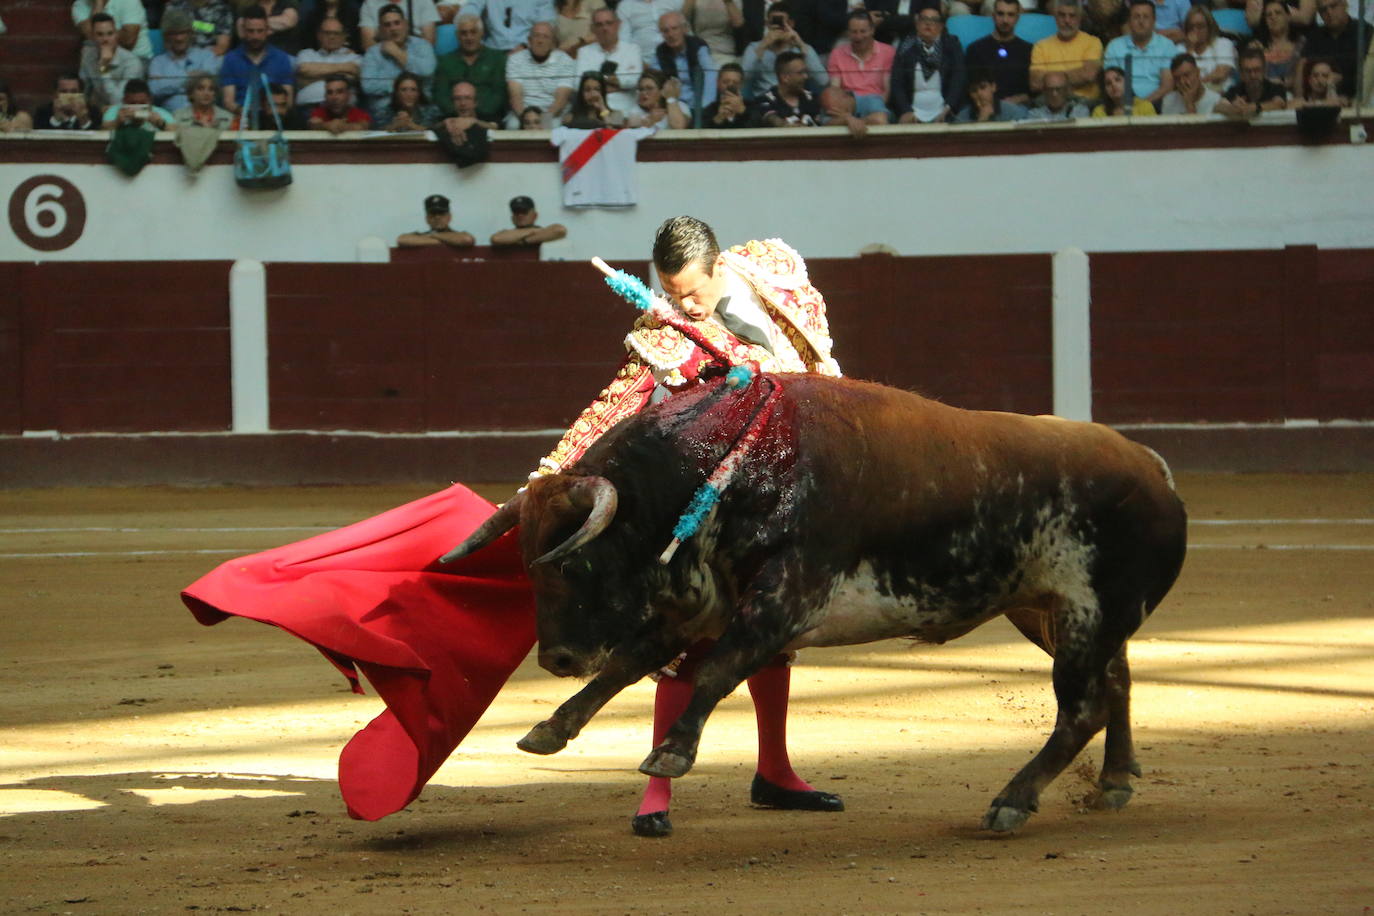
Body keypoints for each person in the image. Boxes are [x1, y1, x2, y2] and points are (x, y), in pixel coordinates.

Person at [532, 216, 844, 836]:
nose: (683, 305)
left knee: (771, 631)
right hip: (700, 496)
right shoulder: (662, 331)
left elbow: (822, 369)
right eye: (672, 294)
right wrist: (547, 480)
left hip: (780, 487)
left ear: (720, 266)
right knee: (679, 636)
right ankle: (657, 792)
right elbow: (612, 407)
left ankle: (775, 771)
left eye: (693, 293)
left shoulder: (775, 279)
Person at [1103, 0, 1182, 110]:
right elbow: (1110, 83)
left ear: (1154, 21)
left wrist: (1142, 106)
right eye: (1136, 17)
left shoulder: (1167, 46)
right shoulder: (1114, 46)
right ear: (1129, 21)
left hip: (1158, 103)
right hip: (1122, 103)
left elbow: (1167, 86)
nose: (1141, 21)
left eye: (1146, 17)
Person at [890, 7, 965, 123]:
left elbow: (959, 78)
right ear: (917, 24)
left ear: (941, 27)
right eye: (924, 19)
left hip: (944, 112)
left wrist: (948, 108)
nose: (928, 23)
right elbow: (897, 82)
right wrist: (905, 110)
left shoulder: (951, 45)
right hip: (911, 113)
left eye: (934, 20)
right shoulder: (906, 46)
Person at [740, 2, 828, 100]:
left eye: (782, 22)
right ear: (767, 24)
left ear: (791, 24)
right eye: (774, 22)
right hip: (765, 102)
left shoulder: (802, 48)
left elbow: (823, 81)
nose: (778, 26)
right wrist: (763, 46)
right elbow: (743, 78)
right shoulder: (754, 48)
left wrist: (801, 45)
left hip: (796, 101)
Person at [219, 5, 297, 116]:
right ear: (244, 31)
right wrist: (248, 115)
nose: (255, 36)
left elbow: (288, 102)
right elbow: (228, 101)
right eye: (251, 31)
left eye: (260, 31)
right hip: (240, 118)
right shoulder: (231, 59)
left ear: (268, 31)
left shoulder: (281, 58)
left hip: (274, 118)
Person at [360, 4, 437, 113]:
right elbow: (367, 85)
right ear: (380, 29)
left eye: (397, 23)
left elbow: (427, 71)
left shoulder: (422, 45)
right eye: (387, 25)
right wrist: (401, 87)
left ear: (406, 24)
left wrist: (397, 53)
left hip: (420, 109)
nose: (393, 28)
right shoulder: (373, 53)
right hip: (385, 111)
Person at [433, 16, 509, 120]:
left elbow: (499, 93)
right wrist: (460, 114)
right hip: (453, 118)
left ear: (482, 33)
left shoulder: (497, 59)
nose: (469, 37)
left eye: (473, 32)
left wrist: (475, 115)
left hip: (489, 117)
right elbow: (440, 95)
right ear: (457, 35)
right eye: (464, 33)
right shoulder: (445, 61)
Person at [826, 10, 895, 121]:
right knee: (828, 120)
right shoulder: (837, 54)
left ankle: (855, 123)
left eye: (863, 31)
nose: (858, 36)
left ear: (872, 30)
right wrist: (846, 114)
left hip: (875, 101)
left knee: (880, 118)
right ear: (848, 33)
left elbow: (886, 91)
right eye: (854, 32)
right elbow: (835, 89)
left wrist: (853, 121)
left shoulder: (888, 52)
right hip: (848, 101)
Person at [506, 21, 577, 127]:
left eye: (545, 37)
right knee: (513, 125)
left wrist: (543, 122)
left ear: (553, 42)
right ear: (529, 40)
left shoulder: (565, 61)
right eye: (536, 36)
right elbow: (515, 96)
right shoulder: (515, 59)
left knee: (553, 126)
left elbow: (561, 99)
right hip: (523, 112)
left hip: (553, 113)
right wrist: (527, 122)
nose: (540, 41)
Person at [148, 10, 221, 114]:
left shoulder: (207, 56)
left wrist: (169, 84)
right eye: (174, 33)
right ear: (166, 36)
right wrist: (188, 78)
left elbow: (209, 85)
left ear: (191, 34)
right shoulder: (158, 62)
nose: (179, 38)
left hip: (204, 115)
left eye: (183, 32)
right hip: (172, 119)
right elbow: (154, 90)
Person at [574, 8, 645, 113]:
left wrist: (598, 86)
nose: (605, 28)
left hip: (627, 109)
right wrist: (619, 85)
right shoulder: (584, 52)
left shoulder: (633, 49)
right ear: (593, 29)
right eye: (599, 25)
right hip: (594, 110)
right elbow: (577, 84)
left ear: (618, 25)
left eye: (609, 23)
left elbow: (636, 80)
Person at [1030, 0, 1102, 102]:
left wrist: (1049, 79)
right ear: (1055, 17)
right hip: (1050, 102)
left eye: (1072, 16)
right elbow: (1035, 83)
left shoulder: (1093, 42)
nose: (1067, 20)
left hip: (1083, 101)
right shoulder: (1040, 46)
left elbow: (1089, 75)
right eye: (1062, 15)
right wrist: (1077, 74)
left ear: (1079, 18)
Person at [1298, 0, 1372, 98]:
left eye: (1333, 6)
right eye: (1323, 10)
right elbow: (1303, 68)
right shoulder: (1314, 37)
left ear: (1345, 5)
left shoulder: (1365, 32)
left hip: (1359, 99)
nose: (1329, 12)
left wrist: (1342, 80)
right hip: (1320, 100)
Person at [964, 0, 1033, 104]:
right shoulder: (975, 49)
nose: (1005, 20)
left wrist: (1019, 99)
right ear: (993, 16)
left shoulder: (1028, 50)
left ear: (1017, 18)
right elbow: (970, 87)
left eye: (1010, 15)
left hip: (1018, 109)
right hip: (983, 106)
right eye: (1000, 14)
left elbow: (1033, 92)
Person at [80, 12, 147, 112]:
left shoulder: (132, 62)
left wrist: (104, 68)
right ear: (92, 37)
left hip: (126, 112)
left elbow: (117, 101)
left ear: (117, 35)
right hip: (97, 110)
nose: (105, 39)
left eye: (110, 34)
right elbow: (85, 90)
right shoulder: (88, 56)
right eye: (100, 34)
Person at [654, 10, 718, 114]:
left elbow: (710, 74)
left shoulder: (698, 46)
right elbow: (654, 78)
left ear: (684, 29)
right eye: (665, 31)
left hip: (698, 105)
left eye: (674, 28)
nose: (670, 34)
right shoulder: (661, 52)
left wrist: (705, 107)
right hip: (673, 106)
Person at [296, 16, 363, 114]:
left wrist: (311, 77)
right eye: (327, 33)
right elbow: (304, 69)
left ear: (344, 36)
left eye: (336, 33)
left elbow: (354, 73)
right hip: (308, 108)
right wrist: (343, 68)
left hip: (344, 111)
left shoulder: (354, 58)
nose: (332, 37)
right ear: (319, 35)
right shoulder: (306, 54)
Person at [1215, 44, 1288, 116]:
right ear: (1241, 74)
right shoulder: (1235, 90)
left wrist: (1254, 107)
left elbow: (1279, 104)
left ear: (1264, 70)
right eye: (1247, 71)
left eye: (1257, 70)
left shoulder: (1276, 88)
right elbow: (1218, 107)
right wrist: (1233, 108)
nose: (1252, 75)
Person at [72, 0, 153, 61]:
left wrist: (101, 34)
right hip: (98, 60)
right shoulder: (79, 5)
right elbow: (93, 39)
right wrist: (98, 5)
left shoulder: (129, 1)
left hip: (136, 58)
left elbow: (128, 42)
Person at [1180, 5, 1235, 93]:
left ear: (1209, 27)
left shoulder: (1223, 43)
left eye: (1200, 26)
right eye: (1191, 26)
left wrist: (1196, 84)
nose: (1195, 30)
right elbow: (1182, 76)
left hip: (1221, 93)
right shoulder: (1180, 49)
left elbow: (1221, 74)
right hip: (1190, 96)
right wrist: (1190, 49)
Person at [758, 48, 821, 125]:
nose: (806, 76)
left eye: (806, 72)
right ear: (785, 78)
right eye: (800, 73)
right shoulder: (767, 100)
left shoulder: (812, 98)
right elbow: (772, 118)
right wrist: (785, 126)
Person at [464, 0, 558, 51]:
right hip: (493, 49)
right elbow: (471, 8)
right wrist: (466, 21)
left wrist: (526, 46)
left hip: (527, 49)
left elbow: (547, 24)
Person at [1253, 0, 1304, 89]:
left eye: (1278, 13)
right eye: (1269, 15)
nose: (1273, 17)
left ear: (1288, 16)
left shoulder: (1302, 44)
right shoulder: (1256, 46)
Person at [617, 0, 687, 63]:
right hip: (645, 63)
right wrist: (636, 63)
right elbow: (624, 41)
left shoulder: (675, 1)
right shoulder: (625, 6)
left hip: (678, 57)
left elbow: (685, 26)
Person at [160, 0, 235, 56]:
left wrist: (199, 59)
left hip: (209, 57)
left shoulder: (221, 9)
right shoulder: (174, 6)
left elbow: (222, 46)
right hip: (178, 57)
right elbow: (168, 43)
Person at [397, 194, 476, 247]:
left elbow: (466, 240)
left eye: (441, 213)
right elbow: (401, 240)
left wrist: (432, 235)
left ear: (449, 217)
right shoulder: (421, 235)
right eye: (433, 213)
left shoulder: (459, 235)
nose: (437, 217)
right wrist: (448, 241)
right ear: (427, 218)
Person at [489, 194, 568, 246]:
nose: (520, 215)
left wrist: (524, 241)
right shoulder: (540, 232)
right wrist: (533, 232)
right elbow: (496, 239)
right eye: (516, 212)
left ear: (535, 216)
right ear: (512, 217)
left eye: (524, 211)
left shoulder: (545, 232)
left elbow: (560, 230)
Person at [681, 0, 743, 65]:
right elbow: (683, 18)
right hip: (699, 50)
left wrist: (728, 2)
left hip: (725, 52)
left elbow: (738, 23)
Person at [373, 71, 440, 128]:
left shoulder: (431, 111)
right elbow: (375, 134)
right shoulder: (384, 112)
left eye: (413, 90)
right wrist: (394, 125)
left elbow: (436, 133)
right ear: (397, 93)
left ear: (419, 93)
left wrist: (411, 125)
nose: (409, 94)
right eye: (403, 90)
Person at [100, 77, 174, 129]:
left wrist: (160, 123)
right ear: (124, 100)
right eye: (132, 103)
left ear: (150, 100)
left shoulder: (161, 114)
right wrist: (116, 123)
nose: (137, 107)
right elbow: (102, 130)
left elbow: (176, 131)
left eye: (142, 103)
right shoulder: (113, 112)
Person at [955, 69, 1030, 120]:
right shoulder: (962, 117)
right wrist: (982, 120)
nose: (979, 93)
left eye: (983, 87)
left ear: (993, 87)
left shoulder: (1012, 112)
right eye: (974, 90)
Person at [359, 0, 440, 47]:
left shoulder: (424, 1)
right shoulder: (369, 3)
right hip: (383, 58)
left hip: (417, 55)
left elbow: (429, 41)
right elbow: (368, 44)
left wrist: (402, 56)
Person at [34, 73, 99, 129]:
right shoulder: (43, 113)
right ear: (55, 95)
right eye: (64, 92)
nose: (69, 96)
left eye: (74, 92)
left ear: (81, 94)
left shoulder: (93, 112)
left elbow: (97, 140)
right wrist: (56, 119)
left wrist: (83, 120)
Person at [309, 73, 373, 130]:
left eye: (340, 92)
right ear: (325, 96)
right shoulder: (319, 112)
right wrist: (327, 125)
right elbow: (313, 124)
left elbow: (364, 126)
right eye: (329, 92)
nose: (334, 97)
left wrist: (344, 127)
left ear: (349, 95)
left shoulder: (359, 114)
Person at [1091, 63, 1158, 114]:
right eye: (1108, 83)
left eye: (1117, 80)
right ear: (1105, 90)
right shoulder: (1099, 112)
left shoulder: (1145, 106)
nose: (1113, 85)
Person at [701, 61, 753, 126]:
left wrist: (742, 111)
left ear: (741, 84)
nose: (730, 85)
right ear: (718, 83)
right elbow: (701, 132)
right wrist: (718, 118)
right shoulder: (710, 110)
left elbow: (759, 128)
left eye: (735, 82)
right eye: (725, 82)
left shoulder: (752, 108)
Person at [1026, 67, 1090, 117]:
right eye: (1050, 89)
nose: (1054, 94)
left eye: (1059, 89)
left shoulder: (1079, 111)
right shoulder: (1035, 114)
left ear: (1067, 90)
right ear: (1044, 91)